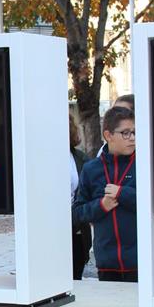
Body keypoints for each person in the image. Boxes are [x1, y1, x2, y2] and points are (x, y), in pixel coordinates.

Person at [74, 104, 137, 282]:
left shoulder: (144, 164)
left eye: (134, 132)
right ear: (108, 135)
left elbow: (153, 204)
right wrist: (101, 206)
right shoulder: (91, 169)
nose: (132, 138)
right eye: (125, 133)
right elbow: (78, 213)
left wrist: (122, 193)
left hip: (140, 262)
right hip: (107, 263)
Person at [68, 114, 92, 279]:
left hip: (76, 230)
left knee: (76, 280)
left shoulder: (80, 158)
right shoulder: (35, 157)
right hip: (47, 232)